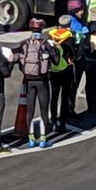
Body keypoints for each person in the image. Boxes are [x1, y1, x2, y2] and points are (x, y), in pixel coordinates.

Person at [19, 18, 59, 148]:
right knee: (43, 109)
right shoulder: (46, 43)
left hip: (29, 79)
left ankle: (31, 138)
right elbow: (56, 61)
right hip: (42, 80)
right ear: (42, 29)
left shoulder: (24, 43)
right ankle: (42, 139)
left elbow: (21, 64)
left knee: (30, 109)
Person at [49, 15, 76, 133]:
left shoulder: (51, 35)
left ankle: (53, 121)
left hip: (53, 71)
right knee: (64, 98)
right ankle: (63, 124)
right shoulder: (69, 38)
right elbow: (73, 56)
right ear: (69, 25)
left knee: (54, 96)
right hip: (66, 70)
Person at [67, 0, 89, 116]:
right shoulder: (78, 24)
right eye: (81, 10)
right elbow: (81, 42)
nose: (82, 12)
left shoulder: (65, 20)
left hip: (65, 59)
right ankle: (70, 109)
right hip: (76, 59)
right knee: (74, 85)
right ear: (76, 11)